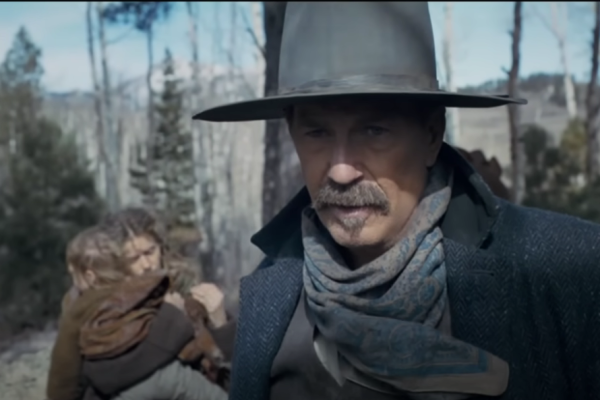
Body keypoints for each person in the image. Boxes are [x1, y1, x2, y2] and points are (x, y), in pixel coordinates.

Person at [193, 2, 600, 400]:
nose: (341, 172)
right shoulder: (269, 293)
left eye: (374, 131)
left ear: (431, 134)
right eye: (317, 133)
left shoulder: (566, 273)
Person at [46, 223, 229, 400]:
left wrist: (220, 323)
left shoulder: (176, 284)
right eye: (134, 258)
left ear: (161, 247)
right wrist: (173, 315)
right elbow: (98, 373)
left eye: (150, 252)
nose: (146, 264)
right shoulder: (101, 303)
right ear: (118, 265)